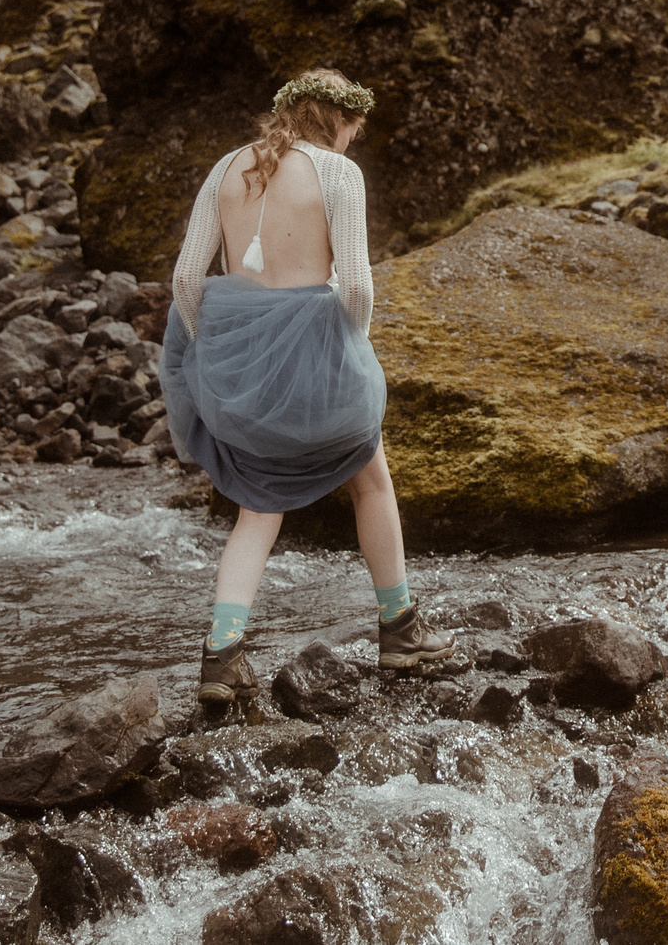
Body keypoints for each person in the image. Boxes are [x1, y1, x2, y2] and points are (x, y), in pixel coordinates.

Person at [160, 67, 454, 712]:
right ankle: (399, 629)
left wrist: (217, 350)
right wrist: (350, 347)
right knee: (371, 482)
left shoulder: (226, 167)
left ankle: (221, 654)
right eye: (354, 127)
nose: (354, 140)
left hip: (239, 362)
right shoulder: (336, 172)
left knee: (259, 506)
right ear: (336, 119)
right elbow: (355, 287)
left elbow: (187, 280)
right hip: (320, 354)